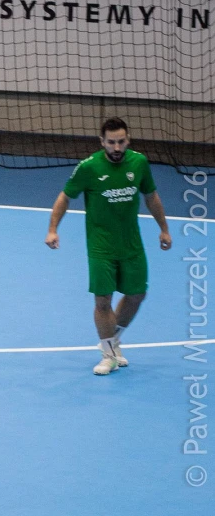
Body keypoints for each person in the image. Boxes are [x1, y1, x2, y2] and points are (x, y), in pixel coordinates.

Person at [46, 117, 172, 375]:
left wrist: (164, 229)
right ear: (102, 141)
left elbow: (151, 196)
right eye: (111, 142)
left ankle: (112, 341)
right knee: (103, 300)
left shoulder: (139, 163)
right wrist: (52, 229)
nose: (116, 147)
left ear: (128, 140)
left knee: (137, 295)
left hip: (131, 244)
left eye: (121, 142)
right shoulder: (89, 167)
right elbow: (65, 197)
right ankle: (108, 354)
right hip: (100, 247)